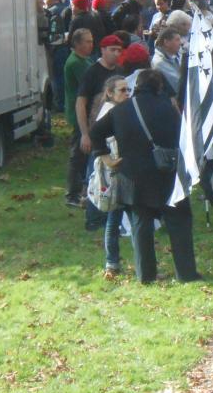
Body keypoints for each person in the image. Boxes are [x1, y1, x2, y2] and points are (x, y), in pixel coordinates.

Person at [90, 69, 201, 284]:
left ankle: (145, 275)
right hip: (167, 175)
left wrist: (105, 158)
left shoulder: (121, 110)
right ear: (158, 87)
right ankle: (186, 273)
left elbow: (95, 132)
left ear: (137, 87)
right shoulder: (169, 110)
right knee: (179, 223)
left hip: (133, 176)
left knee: (141, 226)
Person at [95, 75, 131, 277]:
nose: (127, 94)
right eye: (122, 90)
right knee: (114, 216)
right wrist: (109, 160)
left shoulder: (119, 109)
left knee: (117, 216)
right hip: (115, 172)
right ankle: (111, 263)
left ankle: (113, 263)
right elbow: (97, 137)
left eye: (128, 90)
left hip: (120, 168)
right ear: (110, 93)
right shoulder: (110, 112)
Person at [64, 28, 95, 207]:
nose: (91, 44)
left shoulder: (85, 60)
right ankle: (72, 194)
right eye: (87, 42)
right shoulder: (76, 63)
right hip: (79, 114)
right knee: (78, 154)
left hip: (85, 113)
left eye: (91, 41)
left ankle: (82, 188)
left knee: (83, 154)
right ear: (77, 44)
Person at [151, 28, 184, 97]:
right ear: (166, 42)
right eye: (177, 40)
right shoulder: (159, 62)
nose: (180, 43)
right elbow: (178, 83)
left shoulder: (176, 54)